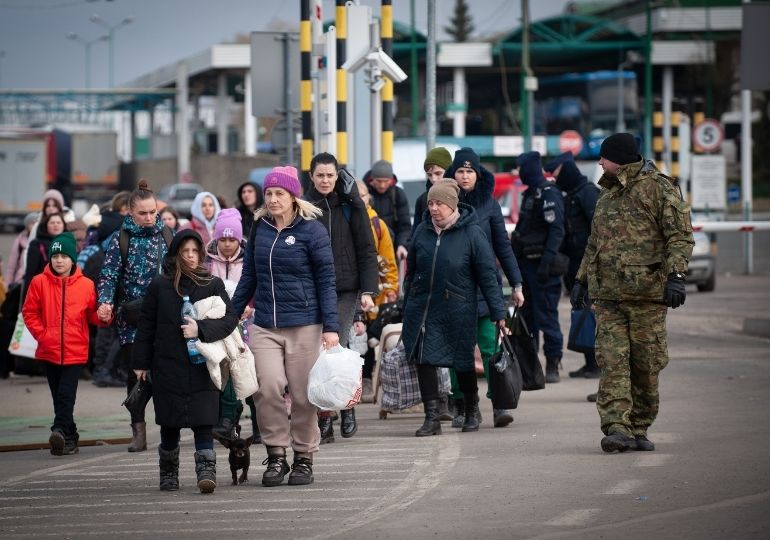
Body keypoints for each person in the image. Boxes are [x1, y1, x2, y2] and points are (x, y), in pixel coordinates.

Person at [571, 133, 694, 453]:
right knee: (612, 363)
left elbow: (680, 236)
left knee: (645, 366)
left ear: (620, 158)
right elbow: (594, 243)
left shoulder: (659, 188)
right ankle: (616, 427)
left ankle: (639, 426)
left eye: (604, 157)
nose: (600, 162)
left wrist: (676, 276)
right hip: (609, 298)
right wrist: (581, 280)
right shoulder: (607, 194)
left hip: (647, 297)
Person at [231, 165, 340, 487]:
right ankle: (276, 454)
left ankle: (304, 457)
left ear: (293, 196)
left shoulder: (312, 231)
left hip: (305, 324)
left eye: (279, 193)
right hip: (265, 324)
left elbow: (326, 280)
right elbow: (249, 276)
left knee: (304, 396)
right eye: (269, 193)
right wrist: (230, 315)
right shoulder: (260, 228)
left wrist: (331, 327)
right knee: (266, 388)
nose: (273, 199)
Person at [132, 229, 238, 493]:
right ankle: (168, 473)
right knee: (169, 423)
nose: (190, 256)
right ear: (175, 255)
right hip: (167, 364)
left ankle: (206, 472)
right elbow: (146, 325)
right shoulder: (160, 285)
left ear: (201, 254)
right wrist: (141, 362)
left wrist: (200, 329)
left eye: (194, 251)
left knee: (204, 421)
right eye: (184, 251)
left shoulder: (212, 284)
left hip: (202, 365)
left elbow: (229, 320)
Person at [402, 180, 508, 436]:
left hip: (458, 308)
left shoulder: (472, 233)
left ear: (452, 205)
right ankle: (432, 418)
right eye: (430, 203)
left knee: (462, 362)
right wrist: (408, 300)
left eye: (439, 203)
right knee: (423, 360)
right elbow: (411, 271)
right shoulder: (422, 231)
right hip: (424, 308)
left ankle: (471, 409)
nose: (433, 208)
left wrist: (499, 313)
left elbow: (488, 276)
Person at [444, 147, 525, 428]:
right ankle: (464, 405)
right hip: (453, 290)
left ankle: (499, 403)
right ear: (453, 174)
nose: (465, 176)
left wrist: (516, 283)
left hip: (485, 288)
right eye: (460, 171)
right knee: (459, 352)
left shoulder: (489, 205)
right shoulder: (442, 203)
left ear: (478, 175)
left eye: (470, 171)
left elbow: (503, 246)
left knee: (490, 347)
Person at [305, 153, 379, 442]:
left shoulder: (350, 204)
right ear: (311, 176)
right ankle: (325, 417)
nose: (325, 180)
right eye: (320, 175)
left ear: (337, 176)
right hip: (312, 288)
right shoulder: (303, 207)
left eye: (330, 175)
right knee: (317, 352)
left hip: (345, 288)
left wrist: (368, 291)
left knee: (337, 344)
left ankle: (347, 407)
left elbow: (366, 248)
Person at [97, 180, 173, 452]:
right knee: (136, 375)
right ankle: (138, 430)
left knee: (164, 374)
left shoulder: (167, 235)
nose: (149, 217)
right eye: (143, 213)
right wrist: (105, 302)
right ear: (130, 212)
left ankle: (168, 430)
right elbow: (108, 275)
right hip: (132, 318)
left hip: (164, 316)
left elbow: (180, 271)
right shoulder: (120, 239)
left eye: (153, 212)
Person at [21, 232, 107, 455]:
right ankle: (70, 437)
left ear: (73, 258)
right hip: (49, 349)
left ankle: (58, 430)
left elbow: (92, 316)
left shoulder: (86, 285)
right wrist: (43, 335)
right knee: (58, 397)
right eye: (55, 256)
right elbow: (29, 312)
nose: (59, 260)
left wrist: (104, 316)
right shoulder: (39, 282)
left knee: (66, 395)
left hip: (75, 350)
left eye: (64, 256)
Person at [204, 208, 260, 443]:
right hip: (220, 325)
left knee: (252, 370)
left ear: (239, 239)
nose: (227, 244)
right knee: (225, 370)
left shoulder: (250, 259)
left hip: (249, 322)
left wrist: (251, 306)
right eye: (223, 239)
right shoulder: (208, 263)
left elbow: (257, 285)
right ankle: (228, 419)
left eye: (232, 239)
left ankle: (259, 422)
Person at [544, 151, 601, 379]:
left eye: (556, 173)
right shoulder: (570, 195)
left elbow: (598, 231)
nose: (554, 178)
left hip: (589, 267)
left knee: (591, 315)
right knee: (581, 314)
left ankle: (597, 364)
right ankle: (589, 362)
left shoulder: (588, 193)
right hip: (575, 267)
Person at [511, 151, 566, 384]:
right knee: (527, 319)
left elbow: (556, 230)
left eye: (521, 169)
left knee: (547, 317)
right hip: (526, 266)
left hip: (543, 267)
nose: (520, 174)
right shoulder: (530, 194)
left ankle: (552, 363)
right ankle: (530, 368)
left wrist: (547, 261)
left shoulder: (549, 193)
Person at [355, 179, 399, 402]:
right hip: (350, 289)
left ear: (368, 198)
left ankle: (367, 379)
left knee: (370, 336)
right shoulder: (344, 220)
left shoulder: (377, 224)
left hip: (375, 291)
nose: (359, 199)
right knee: (352, 339)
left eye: (362, 195)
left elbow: (388, 259)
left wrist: (391, 288)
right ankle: (354, 381)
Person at [365, 159, 411, 261]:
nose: (382, 185)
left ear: (391, 180)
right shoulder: (364, 194)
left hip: (393, 249)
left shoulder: (398, 195)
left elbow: (405, 226)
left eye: (386, 181)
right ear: (371, 179)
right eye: (379, 181)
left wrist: (402, 244)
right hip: (369, 249)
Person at [22, 212, 66, 302]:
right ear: (46, 226)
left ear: (63, 225)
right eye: (52, 223)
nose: (56, 225)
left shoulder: (69, 244)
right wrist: (26, 299)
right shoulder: (36, 244)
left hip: (64, 292)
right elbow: (30, 273)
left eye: (58, 222)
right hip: (42, 291)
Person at [411, 147, 454, 238]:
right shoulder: (422, 200)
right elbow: (414, 236)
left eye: (438, 173)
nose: (433, 179)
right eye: (429, 175)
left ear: (449, 171)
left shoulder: (461, 196)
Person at [6, 212, 38, 287]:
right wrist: (8, 284)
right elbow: (12, 266)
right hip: (20, 281)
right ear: (27, 225)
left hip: (37, 281)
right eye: (32, 223)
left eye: (37, 223)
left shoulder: (43, 241)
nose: (35, 225)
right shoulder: (20, 240)